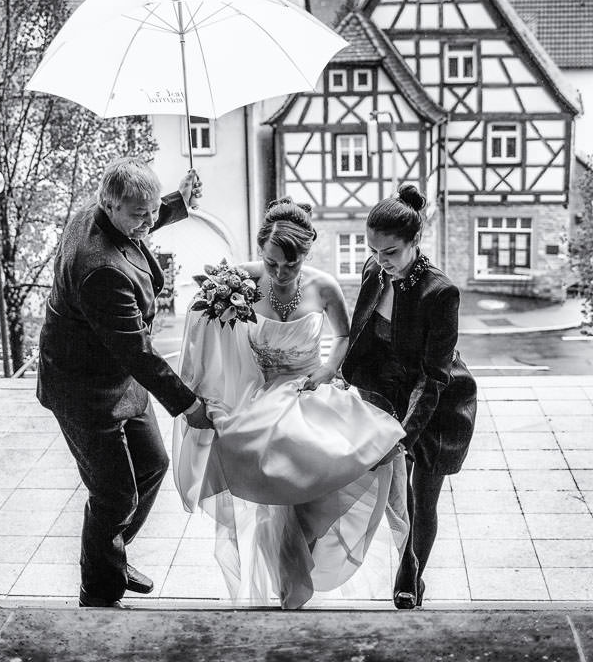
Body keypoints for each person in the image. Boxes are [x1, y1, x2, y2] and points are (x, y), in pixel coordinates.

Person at [171, 198, 407, 609]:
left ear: (307, 254)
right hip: (261, 395)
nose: (280, 273)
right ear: (260, 250)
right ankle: (288, 574)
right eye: (272, 262)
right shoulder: (238, 280)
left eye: (291, 265)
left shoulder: (324, 286)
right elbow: (200, 321)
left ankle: (305, 557)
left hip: (311, 389)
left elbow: (344, 336)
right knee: (273, 483)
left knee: (346, 465)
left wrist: (328, 370)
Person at [36, 157, 214, 609]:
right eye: (140, 214)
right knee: (114, 494)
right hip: (84, 388)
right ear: (109, 205)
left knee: (153, 464)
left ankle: (107, 554)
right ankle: (98, 593)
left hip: (115, 370)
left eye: (153, 211)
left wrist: (179, 202)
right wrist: (189, 405)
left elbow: (141, 217)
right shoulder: (101, 269)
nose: (149, 222)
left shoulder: (103, 212)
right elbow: (137, 352)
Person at [341, 184, 478, 610]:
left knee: (423, 496)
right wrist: (349, 380)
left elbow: (434, 376)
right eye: (374, 250)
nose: (381, 260)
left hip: (438, 403)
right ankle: (407, 565)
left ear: (415, 240)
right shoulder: (374, 270)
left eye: (391, 252)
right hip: (389, 392)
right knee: (398, 496)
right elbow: (363, 333)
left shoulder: (441, 293)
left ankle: (410, 577)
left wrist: (404, 435)